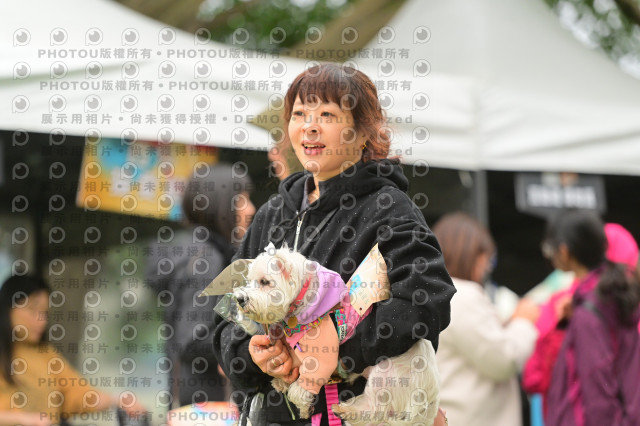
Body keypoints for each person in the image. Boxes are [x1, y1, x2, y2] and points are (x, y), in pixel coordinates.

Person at [211, 63, 456, 426]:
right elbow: (224, 317)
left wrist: (339, 349)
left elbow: (427, 300)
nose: (310, 126)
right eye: (300, 114)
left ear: (362, 132)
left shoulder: (387, 208)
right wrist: (252, 355)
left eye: (327, 114)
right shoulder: (272, 214)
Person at [146, 163, 255, 406]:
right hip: (209, 402)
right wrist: (244, 345)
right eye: (241, 200)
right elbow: (193, 337)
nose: (251, 209)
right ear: (220, 205)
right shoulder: (206, 257)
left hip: (196, 397)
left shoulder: (201, 252)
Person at [529, 211, 640, 425]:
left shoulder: (588, 313)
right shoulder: (615, 294)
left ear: (564, 251)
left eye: (549, 249)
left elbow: (598, 396)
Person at [432, 212, 540, 426]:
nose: (487, 267)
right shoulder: (462, 295)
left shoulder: (434, 293)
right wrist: (524, 321)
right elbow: (503, 359)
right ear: (470, 253)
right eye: (486, 257)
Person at [0, 275, 145, 426]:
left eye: (45, 313)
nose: (41, 321)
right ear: (7, 309)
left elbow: (76, 392)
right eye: (32, 310)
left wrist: (116, 400)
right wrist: (23, 419)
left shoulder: (45, 354)